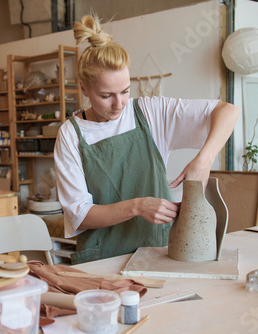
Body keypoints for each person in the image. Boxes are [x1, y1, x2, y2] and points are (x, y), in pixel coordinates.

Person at [54, 14, 240, 264]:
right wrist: (138, 207)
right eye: (106, 95)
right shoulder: (70, 135)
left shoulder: (151, 112)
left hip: (158, 252)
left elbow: (228, 111)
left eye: (125, 91)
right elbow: (80, 215)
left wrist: (204, 160)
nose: (119, 104)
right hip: (102, 260)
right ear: (84, 89)